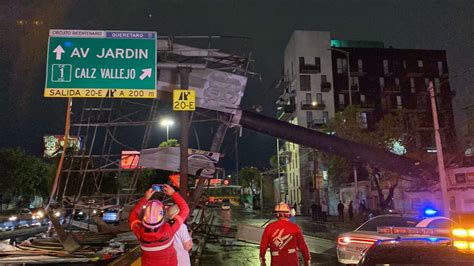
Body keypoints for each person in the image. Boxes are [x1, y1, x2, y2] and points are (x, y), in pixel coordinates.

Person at [129, 184, 189, 266]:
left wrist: (145, 198)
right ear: (163, 215)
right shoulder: (169, 229)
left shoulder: (139, 231)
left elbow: (133, 216)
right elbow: (185, 209)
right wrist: (173, 193)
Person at [260, 202, 310, 266]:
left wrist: (263, 261)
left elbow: (263, 246)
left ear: (276, 214)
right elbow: (302, 246)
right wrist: (307, 260)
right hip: (292, 262)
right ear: (288, 214)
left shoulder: (269, 227)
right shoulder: (294, 227)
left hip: (276, 262)